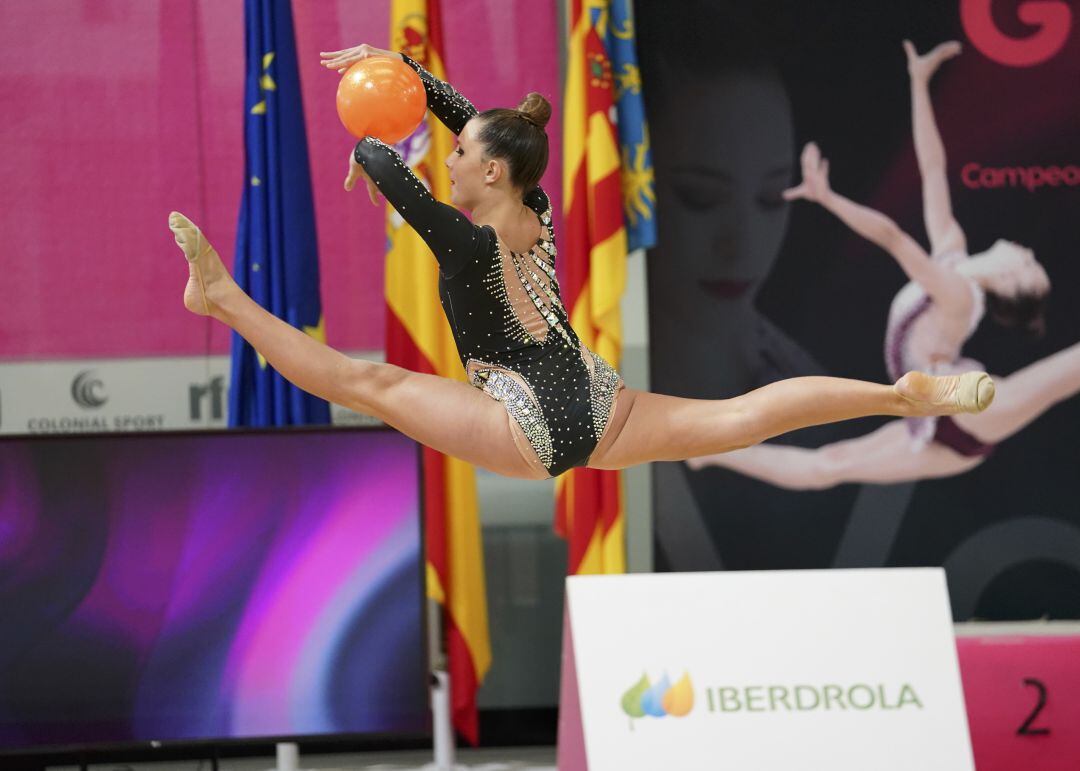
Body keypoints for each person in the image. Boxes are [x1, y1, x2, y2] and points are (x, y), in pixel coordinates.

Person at [168, 43, 993, 482]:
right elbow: (460, 128)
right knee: (743, 414)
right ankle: (895, 393)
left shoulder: (464, 243)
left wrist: (375, 134)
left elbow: (392, 173)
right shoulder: (538, 214)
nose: (448, 162)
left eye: (458, 157)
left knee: (366, 384)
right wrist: (403, 76)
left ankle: (225, 298)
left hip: (522, 418)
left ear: (492, 171)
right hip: (598, 400)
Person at [688, 41, 1080, 489]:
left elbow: (893, 238)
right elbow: (933, 169)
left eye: (1030, 264)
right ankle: (714, 454)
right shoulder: (952, 253)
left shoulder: (956, 293)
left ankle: (715, 453)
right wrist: (919, 85)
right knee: (827, 466)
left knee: (1068, 373)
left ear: (1011, 280)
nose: (1027, 252)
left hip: (965, 405)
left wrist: (829, 198)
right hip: (940, 421)